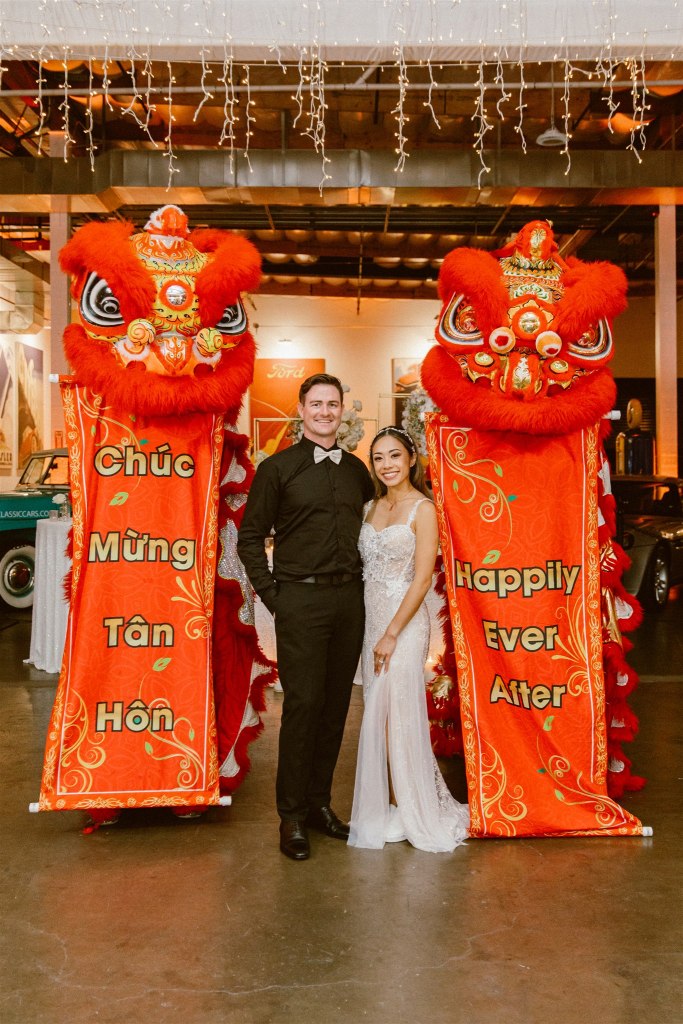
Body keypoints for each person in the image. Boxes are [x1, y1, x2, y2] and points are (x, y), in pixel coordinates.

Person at [237, 373, 374, 860]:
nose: (324, 412)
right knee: (303, 707)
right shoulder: (278, 469)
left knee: (336, 708)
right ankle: (291, 815)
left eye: (332, 404)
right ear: (301, 410)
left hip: (349, 601)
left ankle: (319, 805)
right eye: (316, 404)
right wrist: (276, 597)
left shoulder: (357, 471)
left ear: (342, 410)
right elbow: (249, 538)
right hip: (300, 600)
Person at [348, 426, 469, 852]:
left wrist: (392, 633)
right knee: (379, 715)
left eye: (395, 455)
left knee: (400, 713)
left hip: (403, 624)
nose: (387, 465)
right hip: (372, 622)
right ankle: (394, 803)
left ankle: (414, 807)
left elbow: (421, 579)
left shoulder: (424, 509)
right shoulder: (369, 507)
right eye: (379, 458)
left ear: (412, 459)